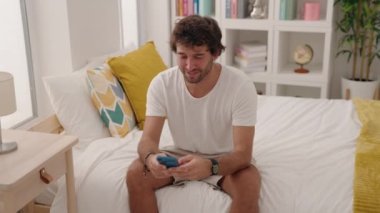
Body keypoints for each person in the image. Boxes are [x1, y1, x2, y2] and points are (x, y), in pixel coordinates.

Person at [126, 15, 260, 213]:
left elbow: (243, 154)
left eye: (198, 56)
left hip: (224, 160)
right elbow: (148, 141)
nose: (189, 66)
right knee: (136, 174)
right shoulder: (161, 84)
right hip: (180, 157)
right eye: (182, 56)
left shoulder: (241, 86)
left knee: (249, 183)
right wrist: (150, 159)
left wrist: (210, 166)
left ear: (214, 54)